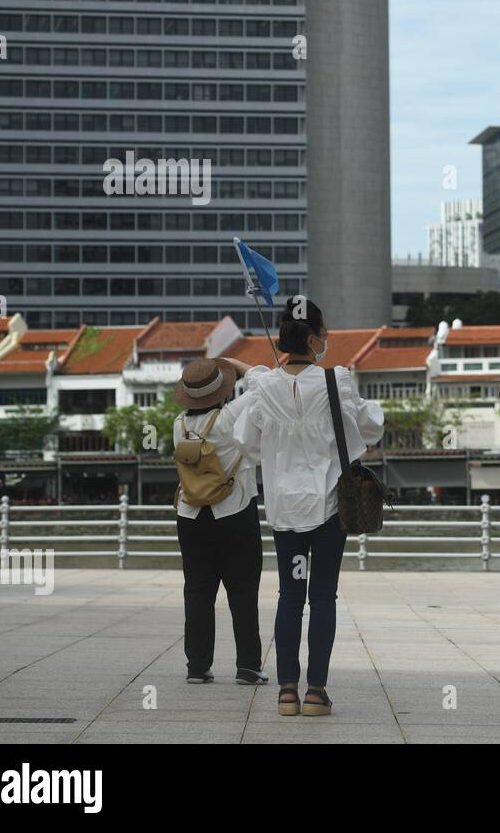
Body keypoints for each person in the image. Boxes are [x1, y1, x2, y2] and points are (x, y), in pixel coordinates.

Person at [232, 298, 384, 717]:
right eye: (325, 333)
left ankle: (286, 692)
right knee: (323, 596)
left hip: (285, 508)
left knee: (289, 595)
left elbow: (245, 441)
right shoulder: (337, 380)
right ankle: (316, 690)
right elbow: (371, 426)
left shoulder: (262, 388)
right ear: (314, 338)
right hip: (329, 506)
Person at [172, 356, 266, 686]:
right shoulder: (229, 417)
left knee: (197, 591)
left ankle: (197, 666)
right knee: (242, 590)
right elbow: (264, 382)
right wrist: (237, 364)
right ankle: (248, 667)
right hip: (234, 513)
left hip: (190, 515)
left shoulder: (178, 425)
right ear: (222, 391)